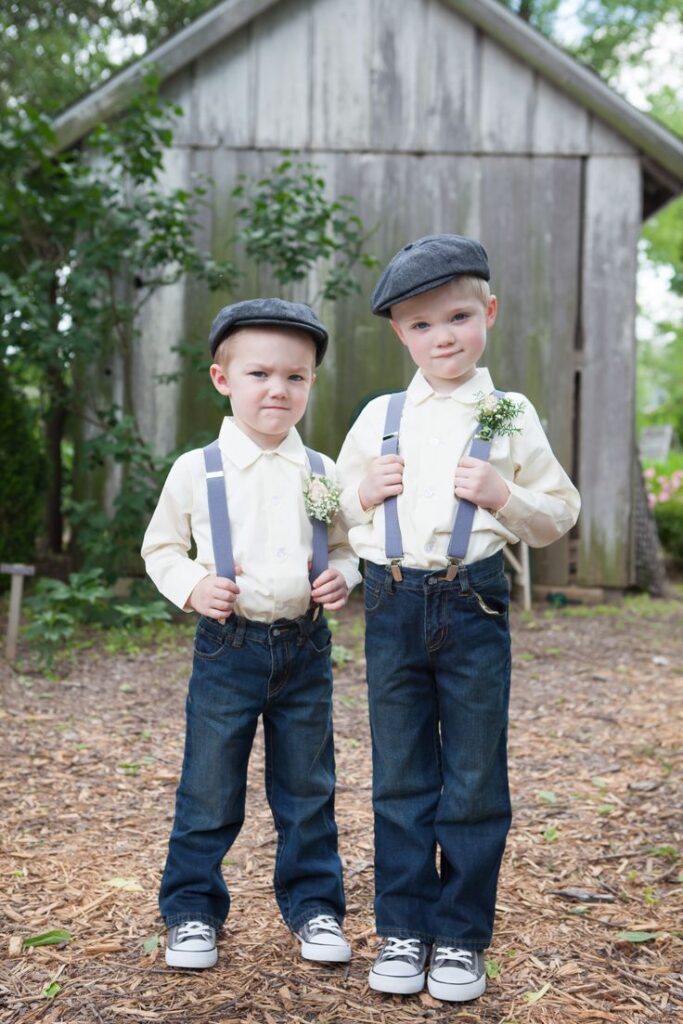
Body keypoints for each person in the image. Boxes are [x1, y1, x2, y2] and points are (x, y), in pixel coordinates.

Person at [336, 235, 580, 1002]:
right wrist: (361, 494)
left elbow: (559, 512)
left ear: (489, 314)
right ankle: (404, 926)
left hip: (471, 598)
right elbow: (330, 516)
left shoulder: (510, 413)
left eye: (458, 316)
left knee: (473, 775)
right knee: (401, 772)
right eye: (421, 325)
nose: (442, 337)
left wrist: (505, 497)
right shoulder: (379, 416)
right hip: (389, 600)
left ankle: (461, 936)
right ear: (397, 334)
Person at [142, 298, 361, 970]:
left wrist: (342, 578)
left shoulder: (323, 472)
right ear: (221, 379)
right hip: (227, 647)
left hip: (304, 647)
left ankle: (315, 907)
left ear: (310, 384)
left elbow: (349, 545)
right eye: (259, 374)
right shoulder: (196, 469)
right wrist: (192, 587)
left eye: (294, 377)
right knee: (209, 786)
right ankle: (191, 911)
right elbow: (161, 549)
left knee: (307, 785)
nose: (276, 389)